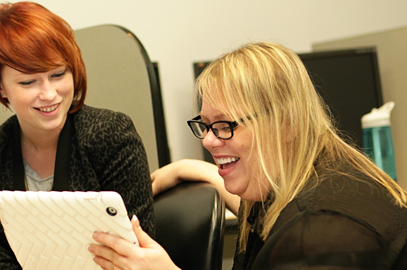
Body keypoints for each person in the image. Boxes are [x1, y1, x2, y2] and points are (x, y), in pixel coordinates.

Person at [89, 41, 407, 269]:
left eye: (225, 125)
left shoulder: (317, 235)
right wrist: (197, 170)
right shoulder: (326, 174)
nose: (210, 141)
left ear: (286, 124)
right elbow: (268, 214)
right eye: (206, 125)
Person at [0, 2, 155, 269]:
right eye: (28, 82)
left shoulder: (110, 135)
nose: (49, 94)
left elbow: (134, 254)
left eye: (58, 74)